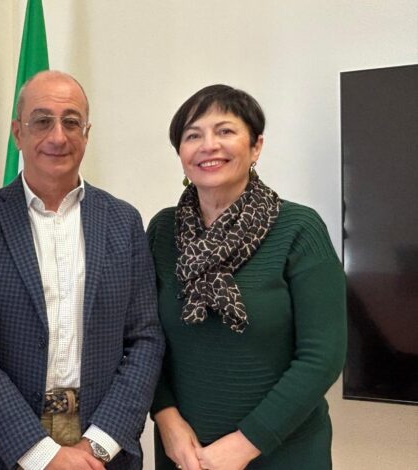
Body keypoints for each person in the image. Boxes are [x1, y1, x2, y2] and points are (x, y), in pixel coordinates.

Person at [0, 70, 165, 470]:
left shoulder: (123, 222)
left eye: (71, 122)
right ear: (17, 133)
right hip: (6, 450)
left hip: (104, 451)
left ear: (87, 133)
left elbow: (145, 339)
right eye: (42, 121)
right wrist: (42, 454)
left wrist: (98, 445)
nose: (58, 136)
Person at [148, 84, 346, 470]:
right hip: (185, 455)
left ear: (256, 147)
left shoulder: (299, 228)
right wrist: (166, 419)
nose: (209, 145)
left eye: (225, 131)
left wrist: (243, 445)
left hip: (284, 453)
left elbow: (322, 356)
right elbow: (143, 339)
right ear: (181, 153)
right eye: (193, 135)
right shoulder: (162, 231)